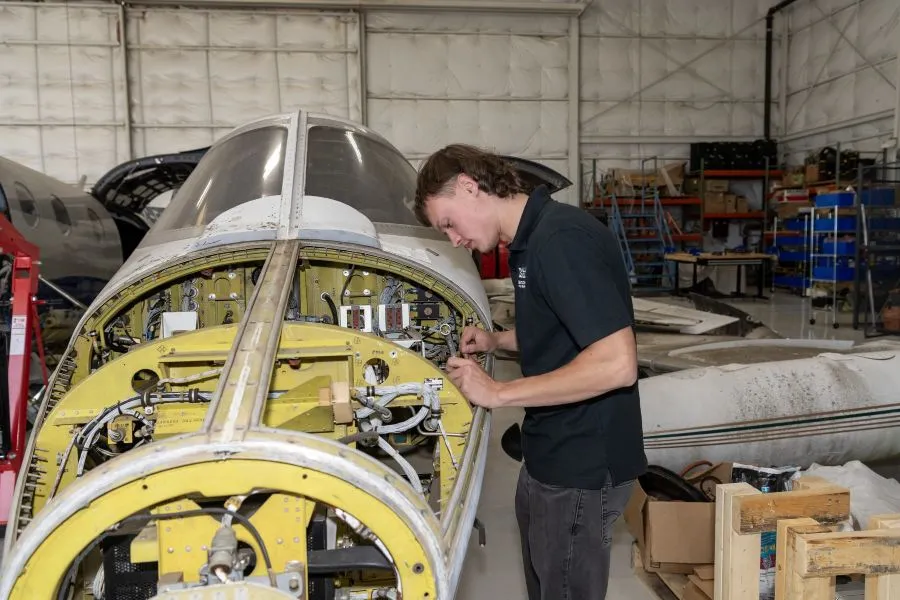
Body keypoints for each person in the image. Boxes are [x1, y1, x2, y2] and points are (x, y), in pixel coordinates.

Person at [413, 144, 647, 600]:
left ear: (469, 186)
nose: (454, 239)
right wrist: (498, 340)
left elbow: (617, 364)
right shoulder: (530, 240)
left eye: (448, 223)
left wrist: (499, 392)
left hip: (581, 463)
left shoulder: (561, 241)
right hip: (548, 451)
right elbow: (566, 325)